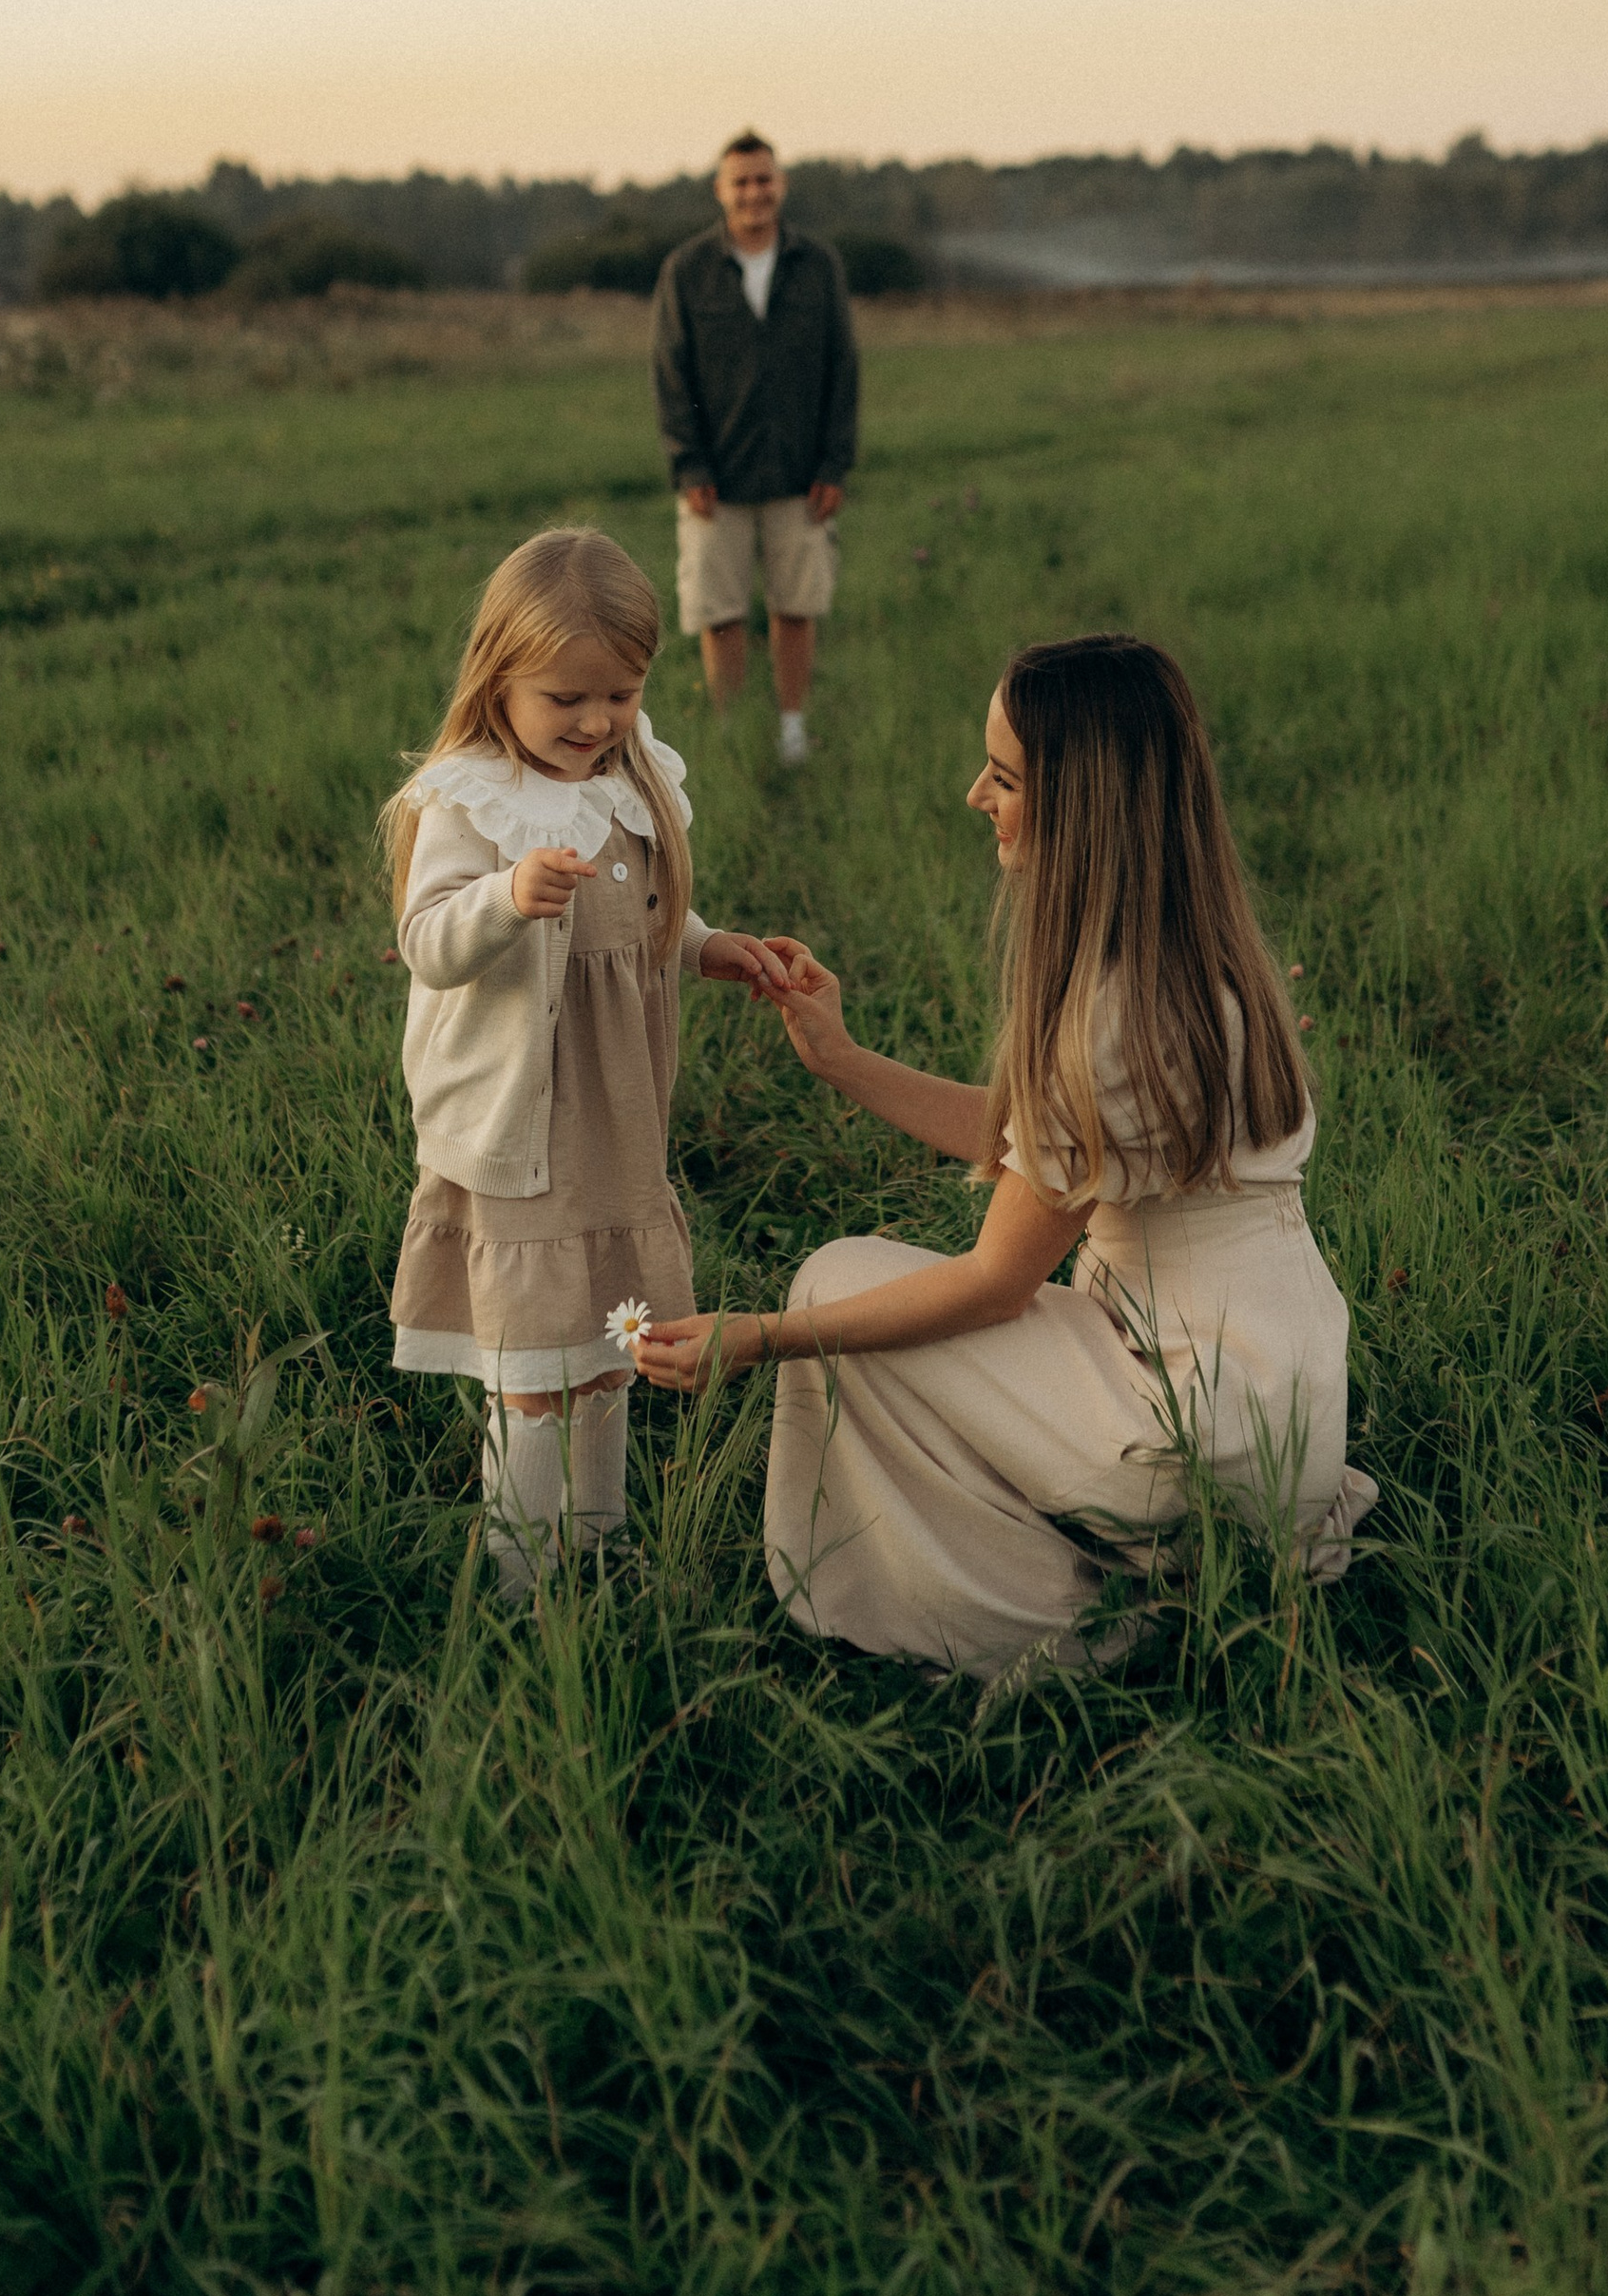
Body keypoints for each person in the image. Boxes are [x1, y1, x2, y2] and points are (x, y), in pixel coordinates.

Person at [635, 634, 1374, 1679]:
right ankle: (1166, 1562)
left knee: (837, 1280)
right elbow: (1049, 1138)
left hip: (1189, 1434)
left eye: (1007, 775)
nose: (975, 792)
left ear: (1083, 806)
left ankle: (1055, 1616)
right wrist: (842, 1062)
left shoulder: (1108, 1018)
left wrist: (759, 1336)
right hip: (1284, 1417)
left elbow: (993, 1284)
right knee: (884, 1306)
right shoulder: (1205, 961)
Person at [378, 526, 790, 1593]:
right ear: (500, 678)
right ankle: (523, 1574)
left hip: (617, 1121)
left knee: (611, 1347)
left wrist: (710, 947)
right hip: (525, 1125)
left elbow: (643, 914)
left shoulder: (630, 771)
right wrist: (504, 900)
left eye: (619, 692)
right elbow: (426, 942)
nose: (597, 721)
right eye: (566, 699)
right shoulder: (470, 797)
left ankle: (596, 1541)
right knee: (531, 1366)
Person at [650, 129, 858, 765]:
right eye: (740, 181)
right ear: (721, 190)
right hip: (716, 479)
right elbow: (670, 370)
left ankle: (793, 730)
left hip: (800, 476)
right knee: (721, 613)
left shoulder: (818, 266)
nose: (753, 192)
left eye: (763, 179)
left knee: (796, 606)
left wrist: (833, 463)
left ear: (781, 184)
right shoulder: (687, 271)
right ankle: (732, 734)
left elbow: (841, 369)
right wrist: (689, 465)